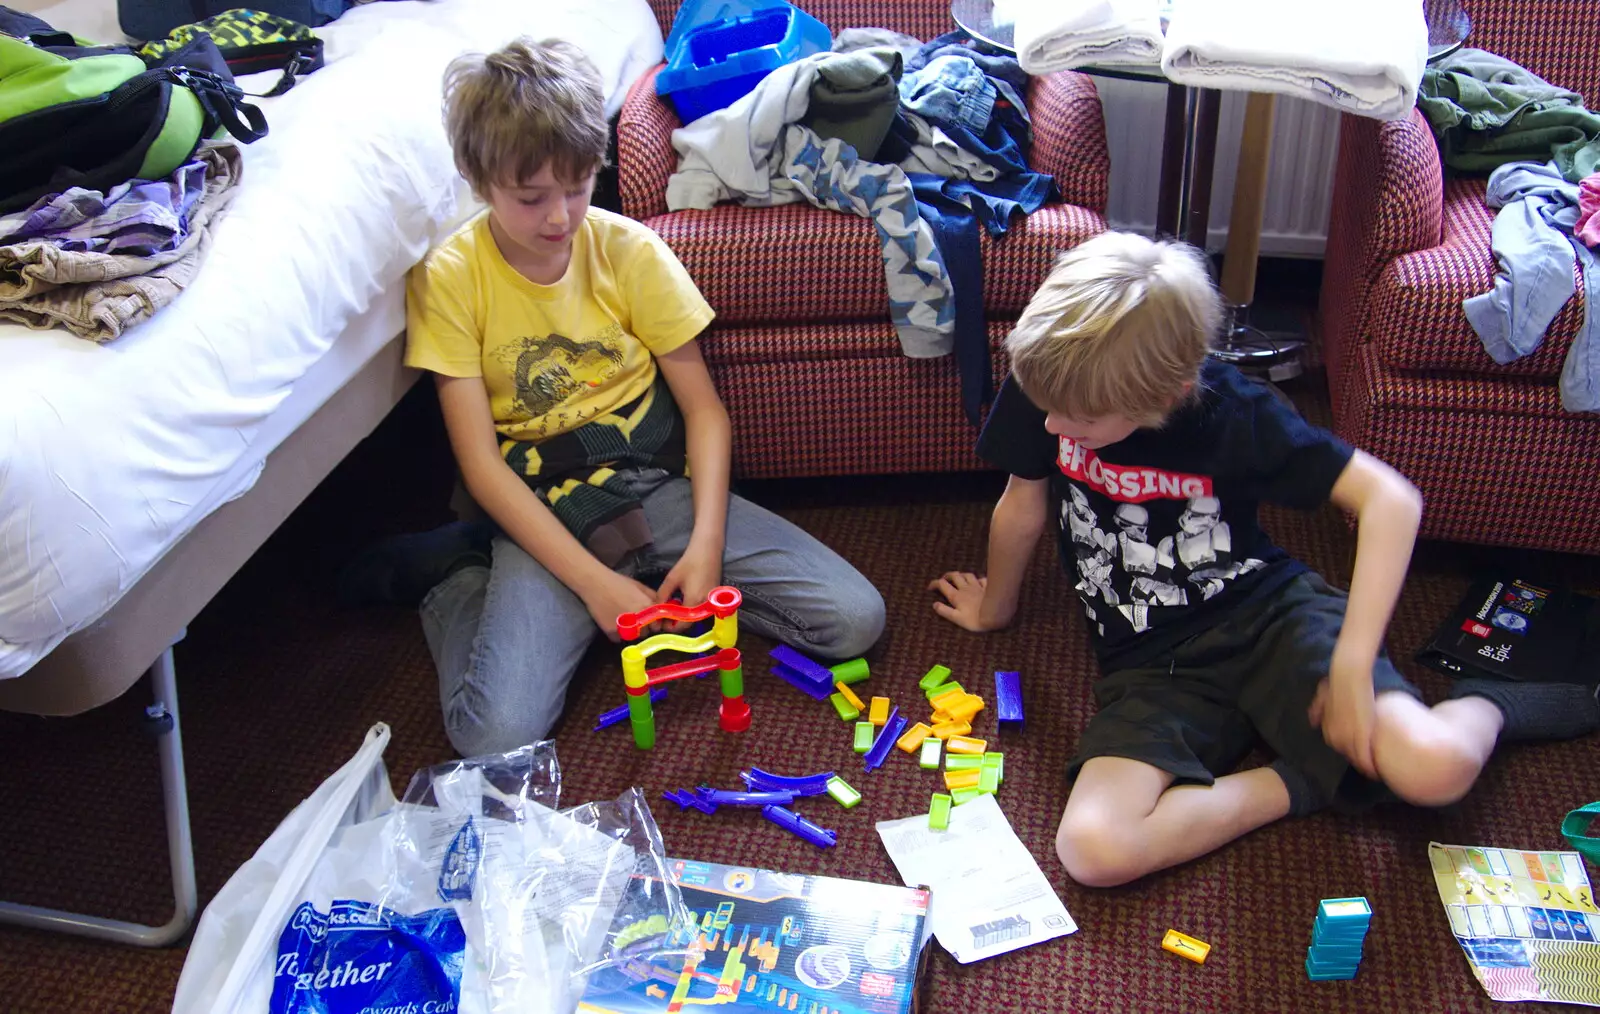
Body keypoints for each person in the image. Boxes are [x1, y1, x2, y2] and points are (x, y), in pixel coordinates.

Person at [930, 231, 1600, 886]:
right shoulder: (1054, 378)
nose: (1051, 428)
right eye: (1046, 409)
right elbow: (1023, 502)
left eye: (1077, 421)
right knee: (1092, 850)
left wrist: (1350, 665)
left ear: (1168, 394)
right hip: (1151, 662)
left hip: (1271, 616)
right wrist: (995, 609)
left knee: (1436, 770)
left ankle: (1492, 701)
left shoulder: (1235, 413)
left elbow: (1392, 502)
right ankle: (1300, 779)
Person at [345, 38, 884, 757]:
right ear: (479, 182)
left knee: (855, 620)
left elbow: (704, 412)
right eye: (530, 197)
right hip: (546, 508)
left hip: (656, 485)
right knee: (495, 735)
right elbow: (482, 467)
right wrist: (594, 585)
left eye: (577, 187)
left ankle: (637, 579)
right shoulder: (451, 278)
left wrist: (707, 544)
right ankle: (462, 579)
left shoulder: (630, 250)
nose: (560, 218)